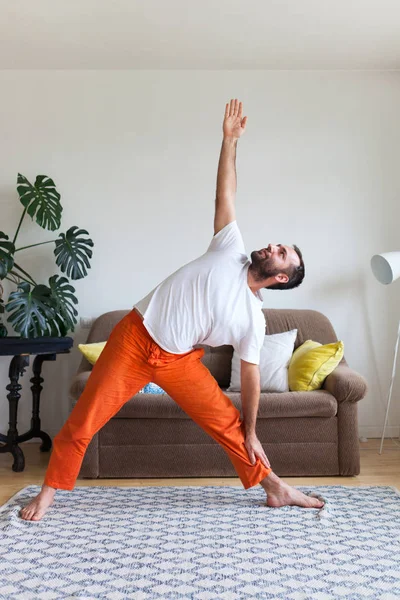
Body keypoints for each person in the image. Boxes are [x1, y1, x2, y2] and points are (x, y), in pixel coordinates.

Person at [20, 98, 324, 521]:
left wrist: (252, 431)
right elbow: (226, 192)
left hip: (178, 362)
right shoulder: (230, 247)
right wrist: (229, 142)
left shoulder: (253, 319)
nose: (274, 246)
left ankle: (274, 487)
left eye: (282, 253)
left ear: (281, 278)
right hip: (134, 337)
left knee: (228, 423)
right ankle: (49, 493)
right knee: (86, 417)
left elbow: (251, 379)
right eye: (278, 243)